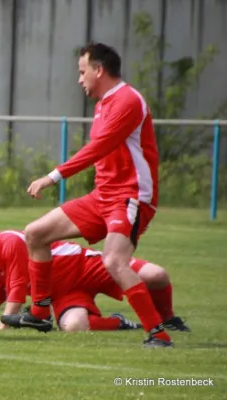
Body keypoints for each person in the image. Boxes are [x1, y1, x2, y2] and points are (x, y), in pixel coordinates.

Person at [18, 42, 173, 347]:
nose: (79, 79)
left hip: (130, 197)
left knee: (114, 262)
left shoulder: (128, 100)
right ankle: (39, 313)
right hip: (102, 196)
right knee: (35, 234)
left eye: (82, 71)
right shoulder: (102, 104)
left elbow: (97, 149)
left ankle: (159, 332)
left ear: (98, 69)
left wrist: (52, 177)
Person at [0, 221, 190, 334]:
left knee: (156, 275)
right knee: (75, 327)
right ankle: (121, 323)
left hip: (87, 267)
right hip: (65, 293)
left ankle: (168, 319)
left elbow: (15, 290)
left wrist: (2, 327)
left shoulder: (8, 241)